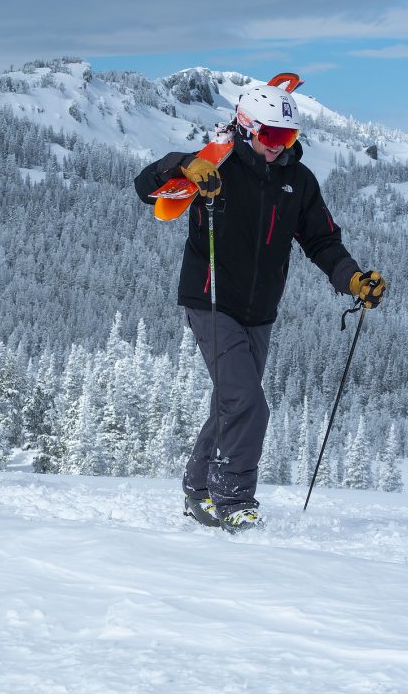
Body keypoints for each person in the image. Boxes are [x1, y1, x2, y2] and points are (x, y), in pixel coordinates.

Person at [134, 80, 386, 532]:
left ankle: (197, 488)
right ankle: (234, 499)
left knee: (232, 401)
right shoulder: (216, 165)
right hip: (210, 301)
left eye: (287, 138)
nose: (279, 147)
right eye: (271, 137)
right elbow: (145, 187)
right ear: (247, 128)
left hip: (260, 310)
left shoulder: (298, 181)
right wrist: (183, 165)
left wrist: (352, 279)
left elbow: (322, 240)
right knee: (248, 402)